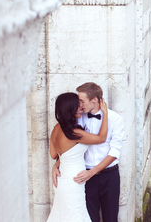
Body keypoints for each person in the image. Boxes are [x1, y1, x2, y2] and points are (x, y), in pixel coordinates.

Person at [53, 82, 125, 222]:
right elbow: (70, 146)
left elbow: (115, 151)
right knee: (89, 219)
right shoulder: (79, 116)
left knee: (111, 218)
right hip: (84, 177)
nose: (79, 105)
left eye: (81, 101)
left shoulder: (115, 119)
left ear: (95, 100)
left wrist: (92, 172)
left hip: (109, 176)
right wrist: (56, 165)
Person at [47, 92, 109, 222]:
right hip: (74, 181)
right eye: (77, 105)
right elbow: (102, 138)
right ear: (69, 108)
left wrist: (56, 164)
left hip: (63, 179)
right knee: (76, 216)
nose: (81, 107)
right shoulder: (75, 133)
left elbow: (54, 154)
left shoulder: (55, 129)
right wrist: (105, 113)